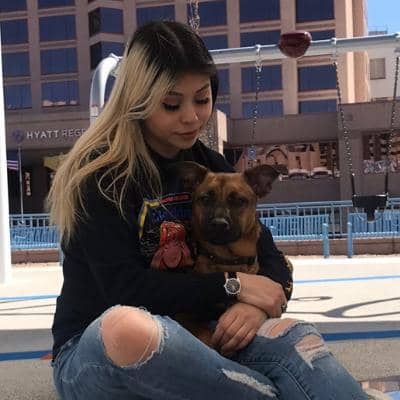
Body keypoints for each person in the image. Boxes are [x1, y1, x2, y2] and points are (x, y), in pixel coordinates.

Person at [48, 20, 386, 400]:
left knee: (294, 338)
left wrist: (256, 311)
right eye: (172, 104)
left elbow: (271, 259)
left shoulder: (212, 167)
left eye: (202, 98)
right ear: (138, 101)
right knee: (128, 327)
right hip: (98, 353)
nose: (191, 116)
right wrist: (233, 285)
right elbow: (124, 289)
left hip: (202, 331)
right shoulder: (100, 177)